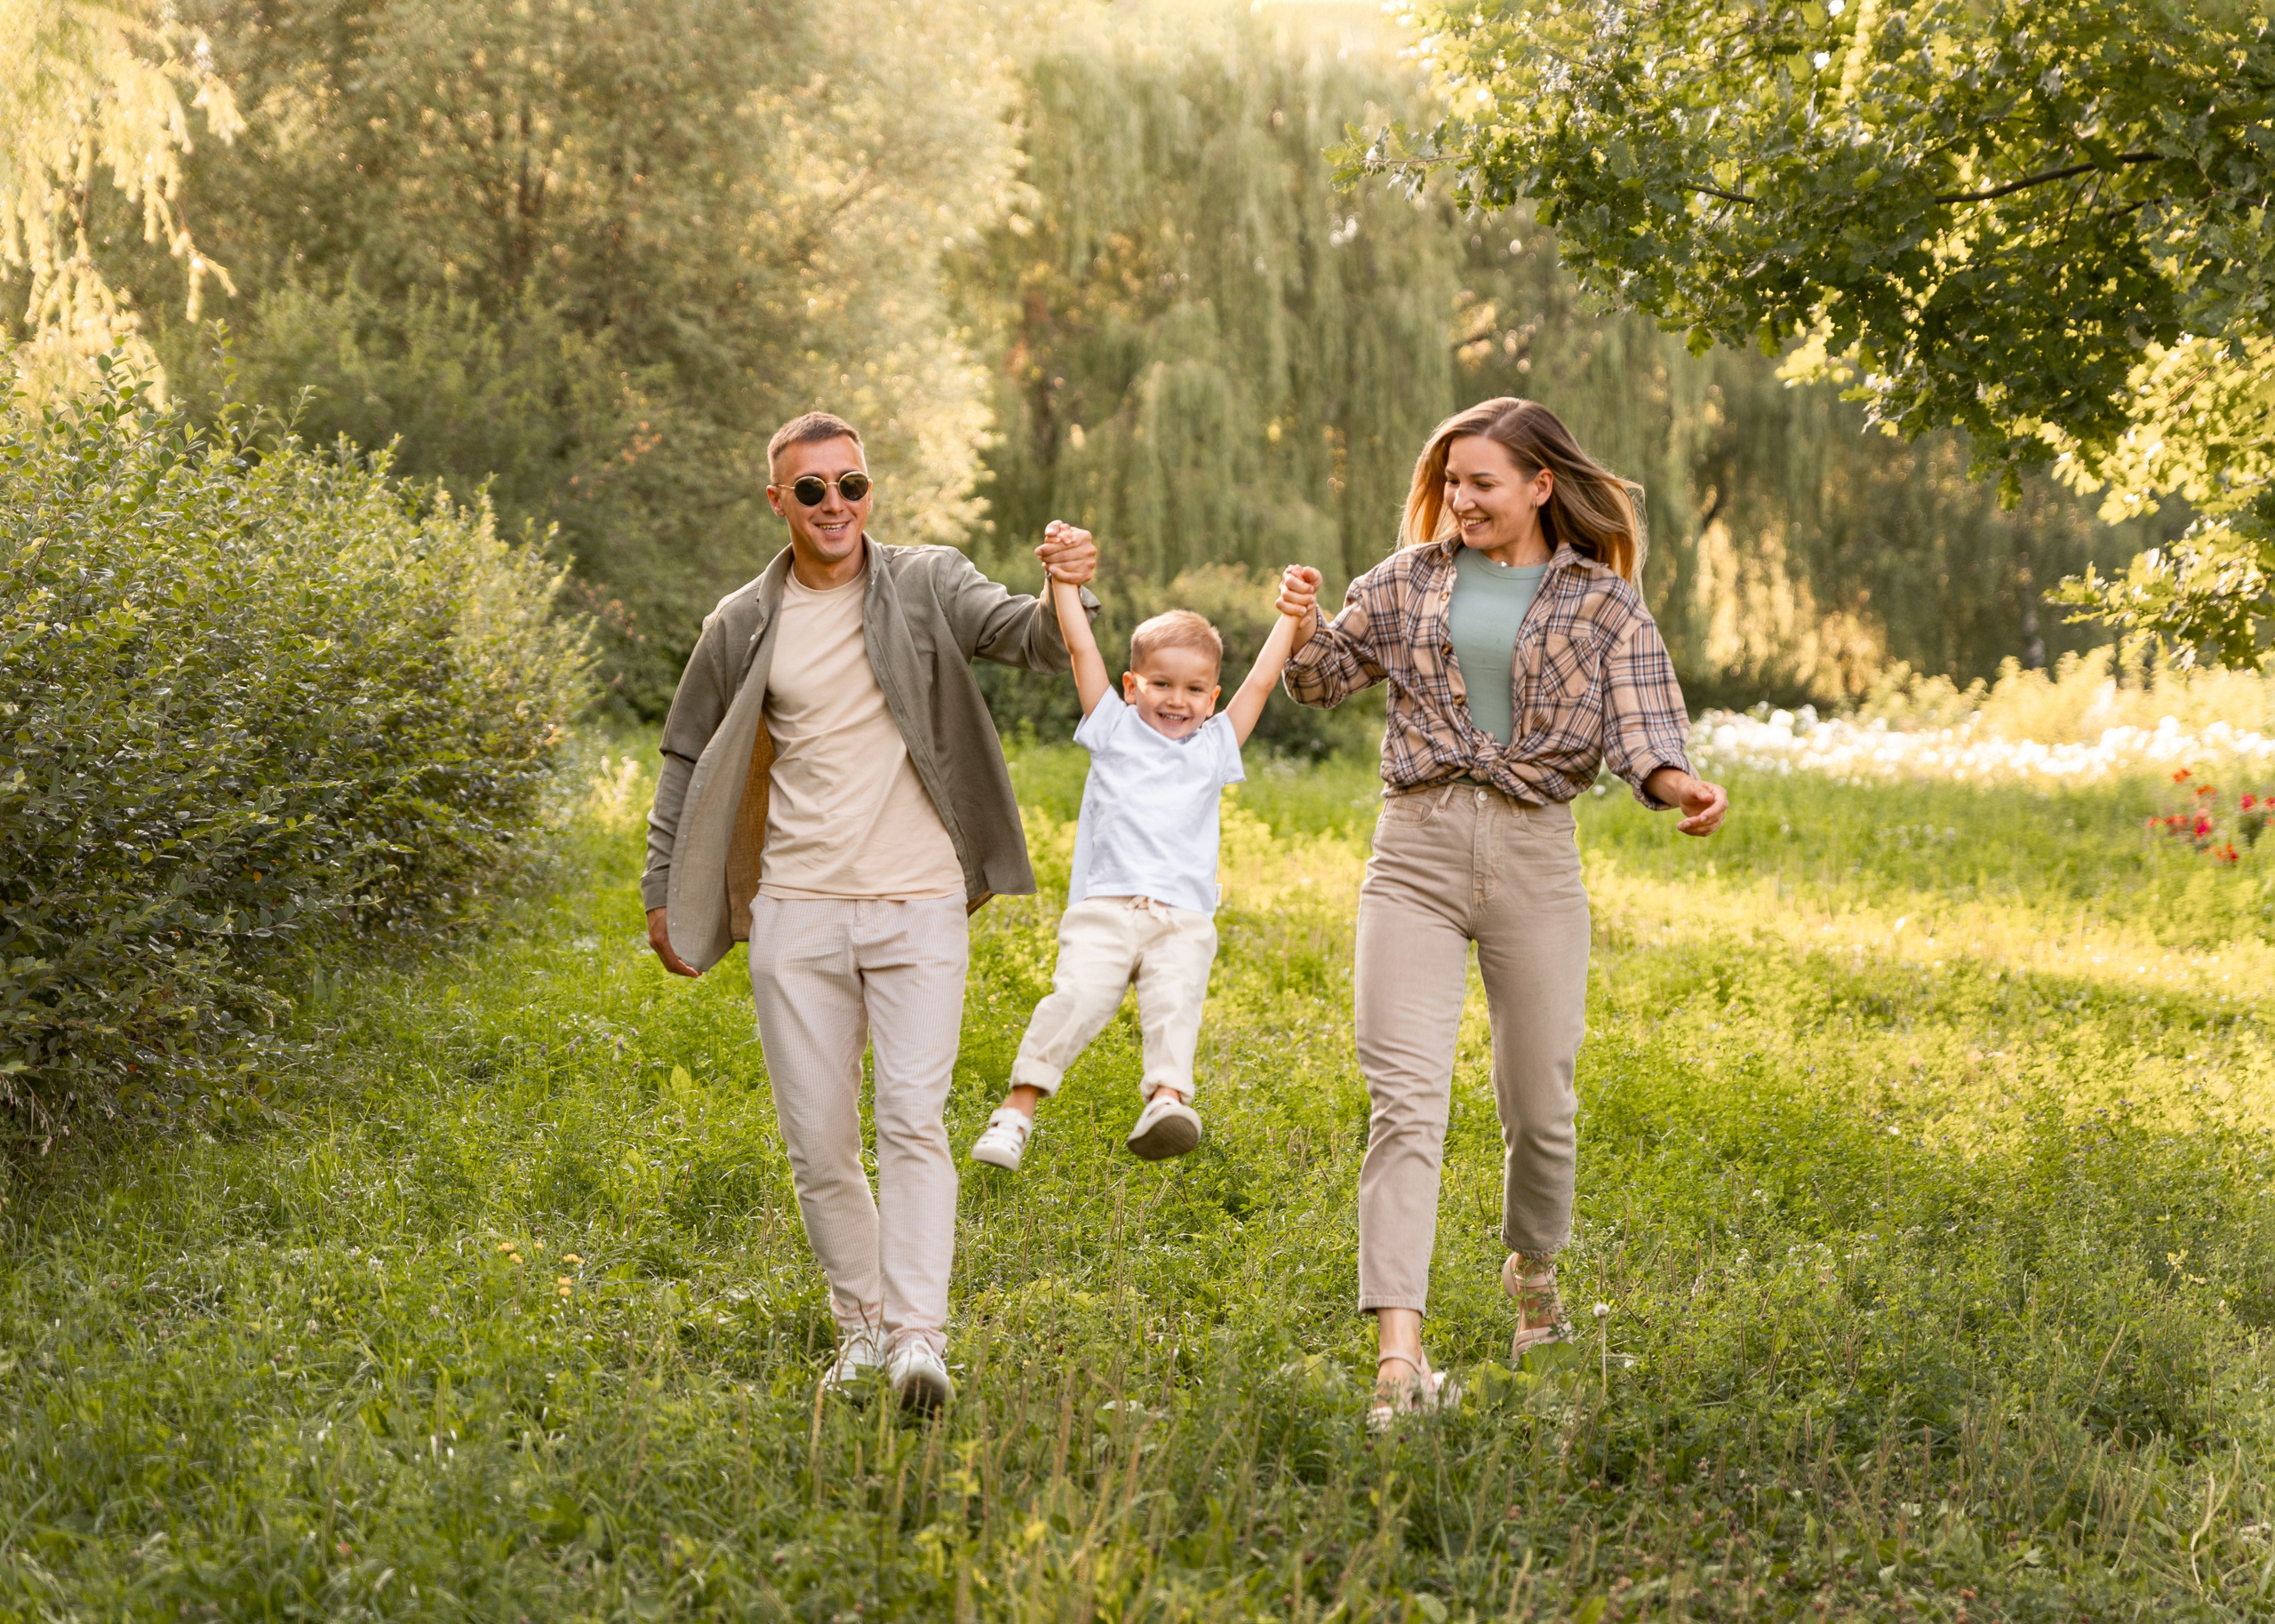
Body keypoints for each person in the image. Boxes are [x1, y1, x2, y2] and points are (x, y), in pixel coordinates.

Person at [1276, 397, 1728, 1429]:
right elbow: (1320, 681)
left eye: (1483, 482)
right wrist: (1303, 623)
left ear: (1538, 485)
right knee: (1405, 1100)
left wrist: (1678, 788)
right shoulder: (1403, 580)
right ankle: (1399, 1358)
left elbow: (1644, 731)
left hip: (1534, 856)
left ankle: (1533, 1280)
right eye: (1451, 482)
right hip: (1416, 851)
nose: (1462, 500)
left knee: (1540, 1103)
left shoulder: (1605, 604)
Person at [641, 410, 1098, 1413]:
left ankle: (919, 1340)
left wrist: (1065, 585)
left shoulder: (929, 580)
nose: (835, 504)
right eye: (811, 490)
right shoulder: (741, 620)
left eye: (851, 484)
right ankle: (859, 1330)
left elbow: (1020, 636)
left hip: (917, 902)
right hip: (794, 909)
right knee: (818, 1141)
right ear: (778, 502)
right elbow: (684, 754)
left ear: (868, 492)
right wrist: (661, 890)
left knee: (912, 1121)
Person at [967, 529, 1305, 1173]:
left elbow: (1261, 682)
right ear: (1131, 684)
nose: (1176, 700)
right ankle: (1017, 1112)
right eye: (1160, 683)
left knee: (1176, 1002)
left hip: (1182, 916)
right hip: (1108, 908)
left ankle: (1167, 1100)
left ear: (1211, 697)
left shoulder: (1214, 746)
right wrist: (1064, 585)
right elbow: (1078, 646)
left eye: (1193, 690)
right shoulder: (1113, 728)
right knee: (1075, 1000)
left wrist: (1290, 618)